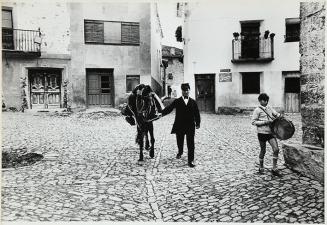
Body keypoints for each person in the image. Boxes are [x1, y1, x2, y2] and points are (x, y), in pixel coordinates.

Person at [161, 83, 201, 167]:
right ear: (182, 91)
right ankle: (180, 151)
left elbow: (197, 113)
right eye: (184, 90)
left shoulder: (193, 102)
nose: (186, 92)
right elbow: (169, 108)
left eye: (187, 90)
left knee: (191, 143)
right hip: (180, 125)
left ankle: (191, 160)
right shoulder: (177, 101)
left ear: (189, 91)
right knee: (180, 141)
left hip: (190, 126)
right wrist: (161, 113)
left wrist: (198, 123)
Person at [252, 93, 282, 176]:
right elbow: (253, 122)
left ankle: (274, 168)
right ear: (260, 101)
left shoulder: (269, 108)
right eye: (264, 100)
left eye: (266, 101)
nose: (265, 102)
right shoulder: (257, 110)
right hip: (262, 133)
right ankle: (261, 166)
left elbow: (276, 114)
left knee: (276, 149)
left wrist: (280, 116)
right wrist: (265, 122)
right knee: (263, 150)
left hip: (271, 132)